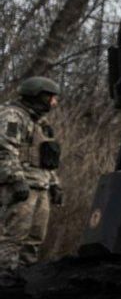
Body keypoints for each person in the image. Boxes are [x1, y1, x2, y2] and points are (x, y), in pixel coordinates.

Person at [0, 76, 63, 271]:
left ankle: (25, 275)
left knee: (35, 237)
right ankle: (5, 276)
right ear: (37, 95)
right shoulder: (12, 115)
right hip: (21, 185)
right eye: (50, 97)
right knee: (14, 235)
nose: (54, 102)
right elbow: (4, 150)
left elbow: (46, 160)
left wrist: (54, 183)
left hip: (40, 184)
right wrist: (16, 180)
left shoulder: (41, 123)